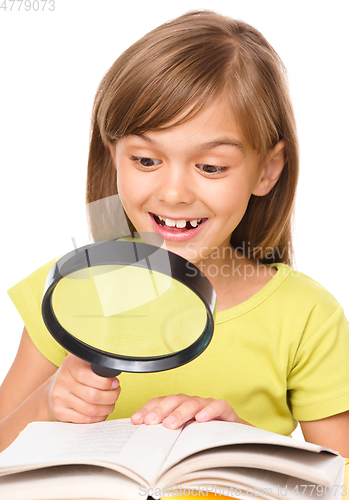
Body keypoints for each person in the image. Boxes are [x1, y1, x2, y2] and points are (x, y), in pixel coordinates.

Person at [1, 10, 348, 457]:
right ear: (114, 157)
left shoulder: (306, 317)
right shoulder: (75, 292)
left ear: (267, 170)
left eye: (211, 167)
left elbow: (334, 482)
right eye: (146, 160)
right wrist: (47, 406)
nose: (174, 192)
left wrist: (241, 442)